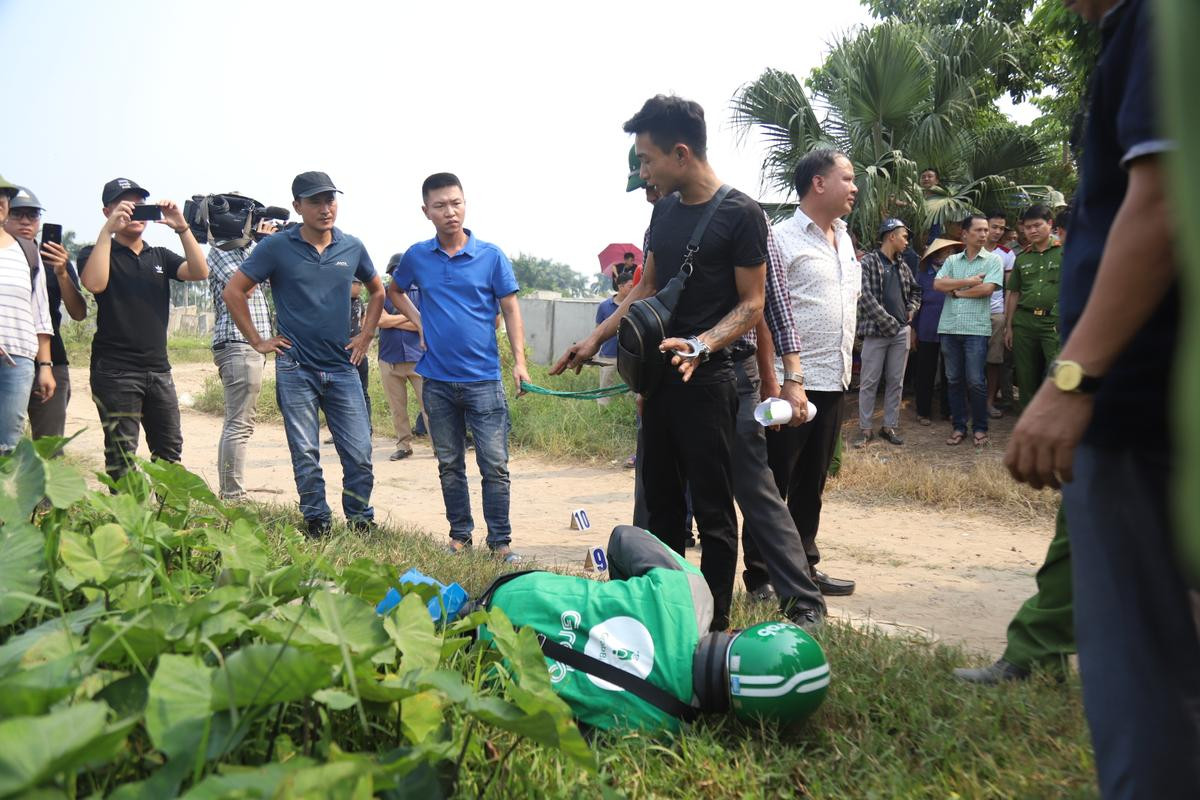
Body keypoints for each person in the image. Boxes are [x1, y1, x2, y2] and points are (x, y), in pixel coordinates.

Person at [1005, 0, 1199, 795]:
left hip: (1137, 403)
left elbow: (1161, 205)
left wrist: (1074, 379)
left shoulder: (1162, 22)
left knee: (1141, 680)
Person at [553, 95, 768, 631]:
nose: (643, 172)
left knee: (716, 515)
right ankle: (667, 619)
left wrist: (702, 344)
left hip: (709, 381)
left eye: (646, 160)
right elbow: (645, 288)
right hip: (660, 384)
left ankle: (713, 629)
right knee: (661, 513)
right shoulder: (664, 211)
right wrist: (595, 339)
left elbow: (753, 303)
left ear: (679, 153)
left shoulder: (742, 213)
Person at [477, 525, 828, 733]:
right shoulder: (660, 729)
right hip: (486, 660)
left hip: (514, 590)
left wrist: (623, 598)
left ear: (739, 633)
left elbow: (623, 538)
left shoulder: (692, 592)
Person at [225, 171, 383, 538]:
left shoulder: (352, 247)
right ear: (298, 206)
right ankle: (317, 521)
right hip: (296, 367)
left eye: (330, 200)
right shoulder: (276, 247)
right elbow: (235, 292)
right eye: (315, 201)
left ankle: (360, 520)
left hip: (344, 366)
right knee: (306, 452)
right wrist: (258, 341)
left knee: (359, 452)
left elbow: (378, 291)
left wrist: (365, 336)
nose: (325, 208)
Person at [389, 172, 529, 563]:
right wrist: (420, 322)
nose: (450, 212)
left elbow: (511, 308)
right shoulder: (418, 256)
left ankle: (500, 543)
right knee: (449, 464)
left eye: (456, 203)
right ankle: (459, 537)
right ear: (426, 211)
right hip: (435, 380)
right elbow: (393, 291)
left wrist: (519, 362)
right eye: (440, 206)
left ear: (465, 204)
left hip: (483, 380)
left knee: (495, 465)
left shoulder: (491, 256)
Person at [760, 148, 861, 598]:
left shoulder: (845, 236)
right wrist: (779, 377)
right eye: (847, 178)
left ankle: (804, 570)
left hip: (833, 378)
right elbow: (761, 313)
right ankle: (761, 576)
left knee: (811, 485)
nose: (854, 187)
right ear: (818, 183)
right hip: (791, 381)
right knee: (774, 482)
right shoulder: (780, 238)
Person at [79, 178, 208, 481]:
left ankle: (166, 522)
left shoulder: (159, 255)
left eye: (140, 205)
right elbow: (95, 283)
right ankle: (126, 523)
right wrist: (107, 232)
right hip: (115, 371)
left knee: (169, 453)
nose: (134, 211)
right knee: (121, 454)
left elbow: (199, 271)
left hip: (158, 370)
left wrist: (182, 228)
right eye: (126, 205)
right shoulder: (95, 251)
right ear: (106, 210)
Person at [3, 187, 85, 444]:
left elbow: (78, 313)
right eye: (18, 214)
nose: (26, 221)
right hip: (9, 356)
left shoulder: (51, 259)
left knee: (48, 447)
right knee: (7, 444)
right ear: (5, 214)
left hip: (50, 359)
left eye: (33, 215)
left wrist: (61, 273)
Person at [207, 220, 276, 501]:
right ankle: (232, 495)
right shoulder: (219, 251)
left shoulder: (248, 251)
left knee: (241, 422)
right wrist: (262, 246)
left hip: (246, 347)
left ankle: (231, 491)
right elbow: (246, 289)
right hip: (237, 342)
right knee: (238, 423)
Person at [933, 214, 1002, 447]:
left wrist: (960, 290)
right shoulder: (952, 261)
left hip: (976, 329)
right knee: (953, 380)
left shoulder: (993, 261)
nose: (984, 234)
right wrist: (970, 281)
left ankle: (980, 428)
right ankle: (959, 427)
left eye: (986, 230)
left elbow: (987, 289)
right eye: (979, 230)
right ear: (965, 234)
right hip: (950, 327)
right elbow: (938, 284)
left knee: (975, 381)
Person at [854, 218, 921, 447]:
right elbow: (863, 296)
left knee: (896, 382)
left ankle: (888, 426)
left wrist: (911, 309)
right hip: (876, 332)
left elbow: (916, 291)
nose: (906, 241)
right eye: (904, 236)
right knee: (869, 381)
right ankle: (865, 429)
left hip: (901, 331)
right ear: (891, 236)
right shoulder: (869, 262)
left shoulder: (902, 265)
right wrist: (890, 323)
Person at [0, 176, 55, 451]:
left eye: (4, 198)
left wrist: (44, 367)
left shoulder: (27, 252)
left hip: (18, 360)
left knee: (8, 444)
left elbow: (40, 314)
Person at [1004, 205, 1063, 413]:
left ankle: (1055, 416)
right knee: (1025, 374)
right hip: (1024, 323)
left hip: (1053, 324)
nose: (1032, 231)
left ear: (1050, 224)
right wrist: (1009, 326)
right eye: (1028, 227)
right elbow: (1014, 293)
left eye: (1037, 225)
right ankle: (1029, 416)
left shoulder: (1065, 252)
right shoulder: (1022, 258)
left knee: (1057, 371)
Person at [377, 268, 425, 461]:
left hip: (419, 358)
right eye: (392, 273)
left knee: (429, 405)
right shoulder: (381, 293)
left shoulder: (423, 292)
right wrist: (412, 316)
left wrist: (392, 320)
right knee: (397, 407)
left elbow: (425, 323)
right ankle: (404, 445)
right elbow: (380, 320)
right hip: (389, 358)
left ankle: (440, 445)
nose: (395, 276)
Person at [911, 239, 960, 425]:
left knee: (950, 372)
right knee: (925, 372)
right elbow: (916, 302)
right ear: (936, 254)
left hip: (951, 327)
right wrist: (914, 329)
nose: (949, 254)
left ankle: (948, 410)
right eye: (946, 251)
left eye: (952, 251)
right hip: (927, 328)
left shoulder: (956, 273)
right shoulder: (923, 275)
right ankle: (923, 411)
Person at [984, 212, 1017, 418]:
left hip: (996, 314)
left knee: (994, 360)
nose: (997, 232)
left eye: (1001, 228)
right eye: (993, 226)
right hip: (970, 313)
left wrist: (1007, 321)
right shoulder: (968, 250)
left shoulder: (1007, 254)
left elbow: (1010, 290)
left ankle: (988, 402)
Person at [593, 270, 632, 406]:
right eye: (630, 286)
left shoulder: (635, 306)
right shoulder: (604, 306)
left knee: (630, 390)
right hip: (608, 355)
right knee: (605, 389)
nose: (633, 289)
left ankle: (626, 414)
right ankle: (602, 414)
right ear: (620, 287)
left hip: (629, 356)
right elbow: (598, 330)